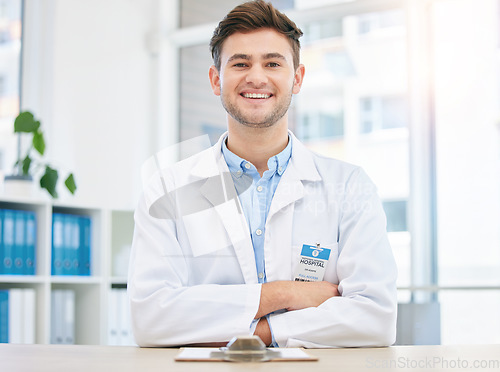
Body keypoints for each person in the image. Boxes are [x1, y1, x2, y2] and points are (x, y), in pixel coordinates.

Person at [128, 0, 397, 348]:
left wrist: (259, 333)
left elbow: (375, 318)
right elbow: (151, 318)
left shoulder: (349, 186)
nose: (257, 76)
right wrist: (284, 294)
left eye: (272, 63)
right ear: (215, 79)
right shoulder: (167, 190)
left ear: (297, 78)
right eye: (240, 63)